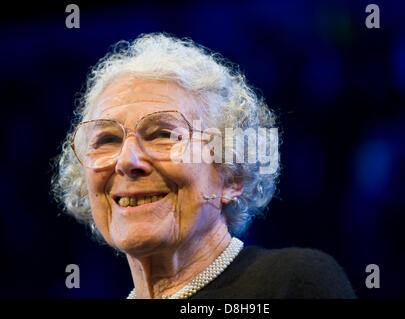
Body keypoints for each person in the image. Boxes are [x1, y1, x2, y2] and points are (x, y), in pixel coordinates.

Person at [52, 32, 356, 299]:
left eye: (163, 134)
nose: (127, 161)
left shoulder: (291, 282)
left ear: (232, 175)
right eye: (106, 140)